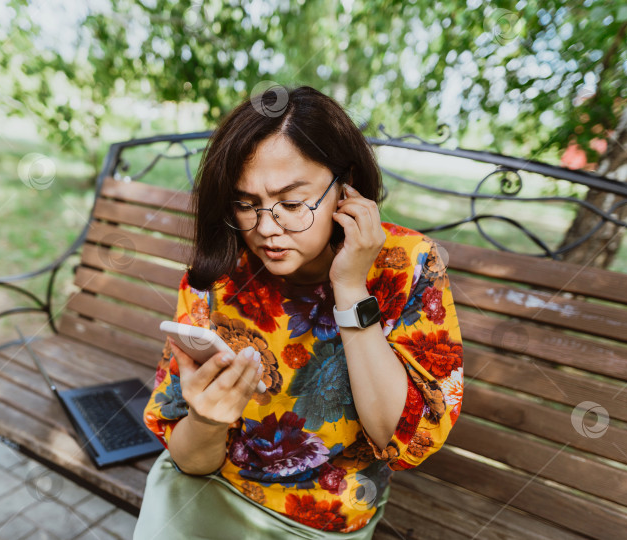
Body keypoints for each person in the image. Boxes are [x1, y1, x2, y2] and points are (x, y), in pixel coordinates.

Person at [134, 85, 464, 539]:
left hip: (322, 518)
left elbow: (399, 440)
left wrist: (349, 287)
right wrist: (208, 421)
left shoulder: (407, 265)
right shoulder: (221, 271)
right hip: (207, 490)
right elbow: (189, 460)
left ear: (345, 186)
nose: (266, 229)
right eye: (246, 204)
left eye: (291, 204)